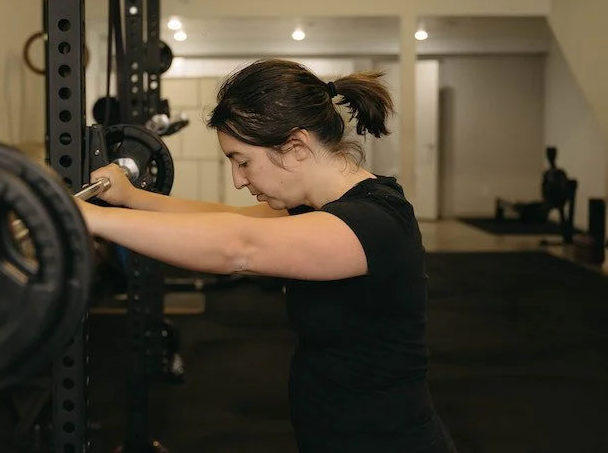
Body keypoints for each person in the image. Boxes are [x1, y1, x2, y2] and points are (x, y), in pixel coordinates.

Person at [76, 59, 457, 453]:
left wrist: (88, 218)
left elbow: (238, 246)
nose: (239, 180)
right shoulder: (319, 207)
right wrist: (130, 198)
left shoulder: (372, 223)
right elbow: (225, 218)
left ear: (295, 146)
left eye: (243, 161)